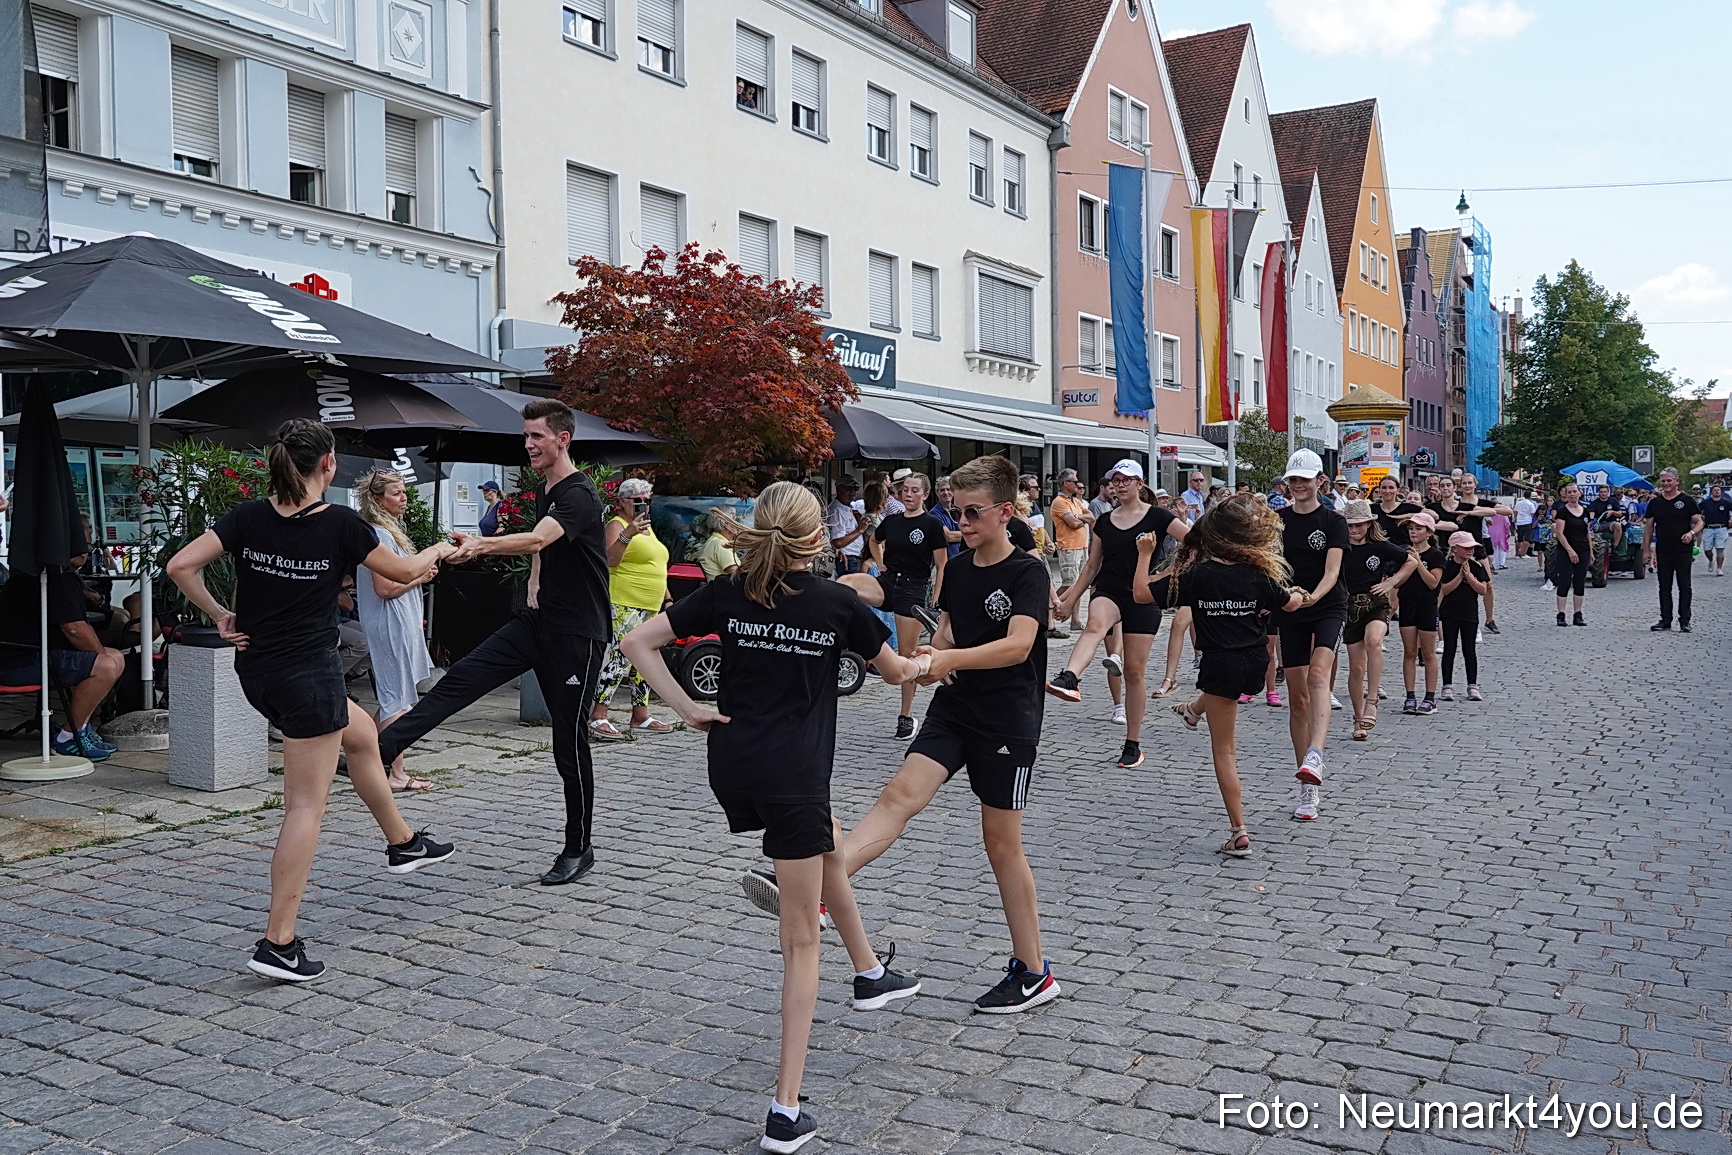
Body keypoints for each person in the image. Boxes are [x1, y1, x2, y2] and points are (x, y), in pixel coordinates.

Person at [620, 483, 923, 1155]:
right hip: (792, 774)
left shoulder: (732, 588)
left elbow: (638, 640)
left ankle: (871, 971)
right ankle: (785, 1110)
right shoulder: (837, 602)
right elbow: (898, 667)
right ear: (818, 539)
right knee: (799, 942)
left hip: (734, 762)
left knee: (825, 838)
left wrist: (687, 708)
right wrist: (938, 663)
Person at [753, 454, 1060, 1016]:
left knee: (1000, 845)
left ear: (1005, 511)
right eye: (955, 511)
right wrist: (929, 656)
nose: (961, 522)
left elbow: (1019, 645)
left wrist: (948, 659)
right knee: (897, 797)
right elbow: (947, 629)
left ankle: (1034, 971)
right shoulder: (961, 568)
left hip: (1007, 720)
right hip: (954, 708)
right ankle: (822, 888)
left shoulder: (1028, 573)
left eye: (972, 513)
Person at [166, 419, 457, 982]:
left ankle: (402, 842)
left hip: (260, 670)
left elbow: (180, 565)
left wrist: (219, 615)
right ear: (329, 463)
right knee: (305, 807)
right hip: (309, 678)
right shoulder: (341, 525)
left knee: (363, 736)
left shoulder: (250, 516)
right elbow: (401, 570)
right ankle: (279, 942)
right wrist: (444, 546)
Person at [374, 399, 613, 887]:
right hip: (536, 622)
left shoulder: (579, 494)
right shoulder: (548, 490)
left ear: (562, 439)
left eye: (537, 437)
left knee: (568, 744)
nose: (528, 445)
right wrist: (534, 587)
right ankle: (381, 748)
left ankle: (578, 847)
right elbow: (547, 551)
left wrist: (481, 545)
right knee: (460, 679)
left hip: (578, 634)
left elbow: (537, 540)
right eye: (525, 437)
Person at [1156, 496, 1305, 857]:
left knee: (1224, 751)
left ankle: (1239, 832)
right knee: (1219, 694)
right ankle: (1193, 709)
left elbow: (1143, 593)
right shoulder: (1259, 574)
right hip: (1257, 663)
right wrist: (1299, 595)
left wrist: (1147, 554)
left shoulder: (1197, 576)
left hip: (1219, 664)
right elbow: (1290, 603)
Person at [1046, 459, 1189, 769]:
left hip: (1142, 597)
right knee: (1095, 625)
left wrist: (1165, 575)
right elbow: (1092, 566)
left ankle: (1132, 743)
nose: (1120, 485)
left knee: (1135, 673)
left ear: (1139, 483)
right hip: (1108, 590)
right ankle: (1070, 677)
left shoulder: (1159, 516)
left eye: (1127, 480)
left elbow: (1193, 543)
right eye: (1116, 480)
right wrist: (1071, 599)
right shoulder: (1105, 521)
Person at [839, 473, 947, 739]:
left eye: (914, 491)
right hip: (887, 582)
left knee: (907, 656)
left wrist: (936, 599)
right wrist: (879, 562)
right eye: (905, 491)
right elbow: (875, 541)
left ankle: (906, 716)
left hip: (913, 588)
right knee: (844, 583)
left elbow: (942, 564)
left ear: (924, 495)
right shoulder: (891, 520)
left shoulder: (931, 524)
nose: (908, 495)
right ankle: (861, 633)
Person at [1270, 449, 1348, 821]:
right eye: (1293, 480)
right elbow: (1269, 564)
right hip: (1290, 608)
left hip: (1327, 605)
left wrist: (1313, 596)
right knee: (1297, 698)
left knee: (1319, 675)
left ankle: (1316, 755)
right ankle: (1307, 786)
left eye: (1305, 479)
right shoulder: (1277, 521)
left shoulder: (1333, 521)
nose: (1298, 485)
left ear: (1321, 481)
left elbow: (1332, 571)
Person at [354, 468, 439, 792]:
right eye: (396, 493)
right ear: (377, 499)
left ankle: (362, 754)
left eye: (404, 492)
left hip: (394, 620)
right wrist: (420, 577)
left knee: (397, 695)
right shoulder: (380, 534)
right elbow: (385, 588)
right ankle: (396, 773)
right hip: (389, 621)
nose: (404, 498)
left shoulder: (385, 531)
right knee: (397, 699)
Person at [0, 551, 126, 760]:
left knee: (115, 658)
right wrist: (101, 659)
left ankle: (82, 728)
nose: (84, 551)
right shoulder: (51, 577)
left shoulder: (56, 575)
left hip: (34, 655)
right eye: (77, 543)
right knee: (106, 666)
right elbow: (74, 628)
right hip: (19, 662)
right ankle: (68, 738)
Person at [590, 478, 676, 740]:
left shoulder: (648, 529)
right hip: (625, 600)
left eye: (646, 500)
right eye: (636, 501)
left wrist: (668, 599)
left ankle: (641, 715)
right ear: (622, 502)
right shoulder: (617, 525)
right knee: (621, 657)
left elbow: (657, 566)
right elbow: (610, 560)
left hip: (649, 603)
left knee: (645, 658)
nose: (642, 505)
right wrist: (628, 534)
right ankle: (598, 714)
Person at [1339, 500, 1413, 741]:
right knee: (1356, 667)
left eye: (1359, 525)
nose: (1354, 530)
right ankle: (1358, 718)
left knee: (1374, 641)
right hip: (1350, 606)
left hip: (1376, 603)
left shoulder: (1380, 546)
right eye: (1350, 525)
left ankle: (1373, 699)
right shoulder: (1339, 548)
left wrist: (1391, 582)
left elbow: (1411, 561)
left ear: (1369, 524)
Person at [1644, 468, 1704, 632]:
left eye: (1669, 481)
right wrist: (1646, 550)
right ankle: (1665, 619)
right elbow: (1648, 527)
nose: (1666, 484)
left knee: (1684, 586)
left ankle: (1684, 620)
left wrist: (1691, 533)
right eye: (1663, 481)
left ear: (1677, 481)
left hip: (1683, 549)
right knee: (1664, 586)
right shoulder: (1655, 503)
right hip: (1663, 549)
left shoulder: (1687, 500)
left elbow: (1699, 521)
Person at [1396, 513, 1444, 715]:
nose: (1413, 532)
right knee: (1409, 652)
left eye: (1418, 528)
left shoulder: (1435, 555)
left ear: (1428, 532)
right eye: (1411, 528)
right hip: (1407, 605)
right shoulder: (1402, 553)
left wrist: (1418, 564)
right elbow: (1397, 582)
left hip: (1427, 606)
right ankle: (1410, 695)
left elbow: (1433, 582)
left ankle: (1430, 697)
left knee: (1428, 653)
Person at [1437, 532, 1489, 701]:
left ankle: (1472, 685)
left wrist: (1469, 577)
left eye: (1472, 547)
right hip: (1449, 613)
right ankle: (1447, 685)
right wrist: (1460, 576)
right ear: (1454, 548)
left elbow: (1483, 590)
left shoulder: (1476, 567)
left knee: (1470, 651)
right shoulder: (1446, 566)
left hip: (1469, 614)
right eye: (1466, 547)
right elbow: (1444, 590)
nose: (1470, 550)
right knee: (1449, 650)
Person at [1048, 468, 1094, 635]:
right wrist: (1080, 519)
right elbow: (1073, 524)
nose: (1078, 485)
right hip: (1068, 547)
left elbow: (1090, 517)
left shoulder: (1075, 502)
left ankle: (1075, 619)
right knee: (1070, 584)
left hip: (1081, 546)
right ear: (1066, 484)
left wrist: (1078, 518)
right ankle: (1050, 609)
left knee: (1079, 583)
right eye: (1075, 482)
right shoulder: (1060, 502)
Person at [1550, 482, 1592, 627]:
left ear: (1580, 493)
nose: (1573, 494)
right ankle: (1561, 614)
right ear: (1565, 494)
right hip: (1565, 550)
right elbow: (1559, 533)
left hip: (1583, 549)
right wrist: (1570, 550)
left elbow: (1587, 533)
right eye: (1570, 492)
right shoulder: (1562, 511)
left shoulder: (1585, 511)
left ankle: (1577, 614)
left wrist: (1591, 552)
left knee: (1580, 582)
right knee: (1565, 582)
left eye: (1575, 491)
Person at [825, 476, 867, 575]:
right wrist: (859, 530)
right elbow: (838, 542)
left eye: (855, 489)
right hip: (847, 558)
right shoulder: (837, 510)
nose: (852, 493)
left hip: (854, 557)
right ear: (838, 489)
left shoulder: (848, 507)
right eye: (848, 489)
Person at [1371, 476, 1423, 541]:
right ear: (1380, 490)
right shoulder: (1371, 508)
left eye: (1391, 488)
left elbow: (1434, 515)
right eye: (1384, 488)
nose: (1387, 491)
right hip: (1378, 549)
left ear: (1397, 490)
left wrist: (1408, 516)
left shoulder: (1407, 507)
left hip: (1403, 549)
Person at [696, 507, 741, 580]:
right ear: (726, 524)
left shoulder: (712, 541)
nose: (738, 524)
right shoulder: (722, 544)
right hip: (723, 589)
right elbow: (735, 572)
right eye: (735, 521)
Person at [1699, 483, 1731, 575]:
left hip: (1721, 528)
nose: (1717, 491)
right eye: (1714, 490)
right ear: (1711, 492)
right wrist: (1701, 520)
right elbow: (1696, 512)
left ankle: (1719, 568)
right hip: (1708, 528)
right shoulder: (1706, 503)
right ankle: (1711, 560)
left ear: (1721, 492)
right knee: (1707, 550)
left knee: (1720, 548)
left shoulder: (1726, 503)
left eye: (1718, 490)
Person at [931, 475, 964, 559]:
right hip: (946, 562)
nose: (946, 493)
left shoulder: (959, 510)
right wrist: (970, 535)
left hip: (963, 559)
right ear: (937, 493)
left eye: (948, 489)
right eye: (942, 490)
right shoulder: (934, 514)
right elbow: (948, 536)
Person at [1513, 491, 1539, 563]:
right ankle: (1524, 553)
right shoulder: (1530, 504)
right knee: (1527, 539)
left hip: (1519, 522)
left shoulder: (1518, 503)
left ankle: (1517, 553)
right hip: (1527, 522)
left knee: (1519, 538)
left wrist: (1516, 519)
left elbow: (1515, 511)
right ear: (1530, 496)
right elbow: (1532, 513)